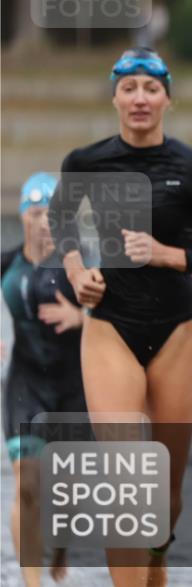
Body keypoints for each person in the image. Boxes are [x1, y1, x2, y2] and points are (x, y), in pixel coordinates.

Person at [46, 47, 192, 586]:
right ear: (115, 97)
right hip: (110, 325)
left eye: (151, 88)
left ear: (167, 99)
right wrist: (75, 270)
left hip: (179, 332)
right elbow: (62, 218)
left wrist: (169, 255)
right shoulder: (85, 162)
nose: (140, 98)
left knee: (165, 495)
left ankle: (157, 561)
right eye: (129, 87)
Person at [2, 172, 86, 587]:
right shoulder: (8, 263)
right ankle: (30, 584)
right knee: (29, 485)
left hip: (73, 389)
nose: (45, 222)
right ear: (23, 217)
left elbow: (125, 312)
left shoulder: (82, 263)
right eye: (36, 213)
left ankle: (63, 547)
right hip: (25, 384)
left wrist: (81, 317)